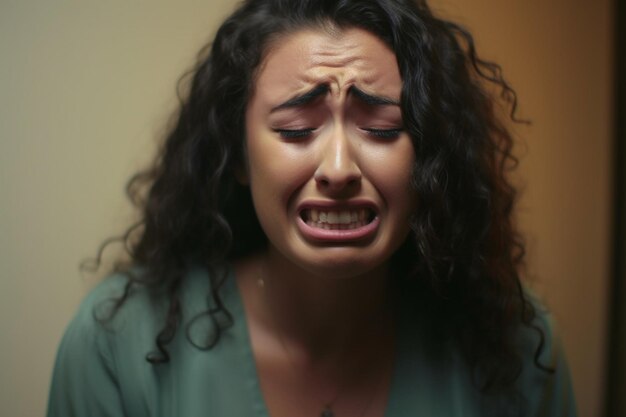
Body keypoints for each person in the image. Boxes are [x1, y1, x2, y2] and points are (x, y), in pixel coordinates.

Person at [47, 0, 577, 416]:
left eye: (383, 129)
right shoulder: (116, 347)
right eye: (297, 130)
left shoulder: (514, 348)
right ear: (236, 154)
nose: (340, 168)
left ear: (430, 156)